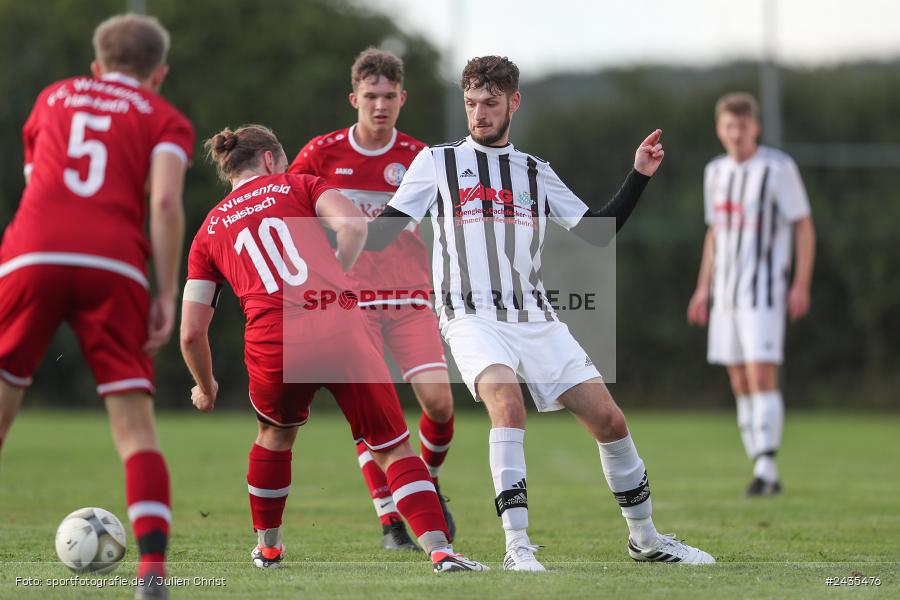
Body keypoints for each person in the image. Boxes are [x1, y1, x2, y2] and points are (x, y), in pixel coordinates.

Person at [364, 55, 715, 570]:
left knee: (610, 421)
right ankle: (518, 546)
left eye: (490, 103)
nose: (479, 113)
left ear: (514, 102)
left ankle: (646, 539)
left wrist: (639, 174)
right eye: (471, 103)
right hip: (470, 316)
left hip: (536, 317)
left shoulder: (534, 171)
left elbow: (598, 233)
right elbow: (383, 232)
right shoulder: (436, 163)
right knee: (507, 404)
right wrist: (329, 217)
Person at [179, 124, 487, 573]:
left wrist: (205, 387)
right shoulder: (299, 185)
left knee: (274, 437)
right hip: (338, 321)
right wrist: (337, 276)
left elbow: (191, 333)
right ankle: (442, 552)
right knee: (392, 447)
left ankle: (268, 549)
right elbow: (354, 227)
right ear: (270, 160)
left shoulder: (208, 230)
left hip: (273, 338)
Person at [0, 14, 192, 599]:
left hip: (32, 252)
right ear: (159, 73)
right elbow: (164, 202)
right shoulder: (164, 116)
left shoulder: (53, 96)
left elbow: (40, 180)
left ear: (96, 65)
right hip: (114, 262)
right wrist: (166, 291)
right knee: (134, 430)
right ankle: (152, 570)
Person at [289, 47, 456, 551]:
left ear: (403, 98)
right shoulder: (321, 153)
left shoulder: (421, 158)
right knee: (374, 414)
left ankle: (425, 481)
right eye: (370, 96)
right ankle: (390, 521)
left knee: (439, 405)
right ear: (354, 98)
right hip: (351, 303)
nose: (380, 105)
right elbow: (290, 211)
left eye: (389, 96)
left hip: (410, 297)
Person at [687, 92, 815, 496]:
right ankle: (758, 458)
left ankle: (767, 467)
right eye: (729, 126)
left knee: (762, 374)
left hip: (764, 291)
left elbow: (803, 225)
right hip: (725, 294)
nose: (736, 133)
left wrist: (801, 283)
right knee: (739, 378)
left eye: (743, 126)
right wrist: (703, 287)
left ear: (755, 127)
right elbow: (714, 233)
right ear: (719, 129)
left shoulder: (777, 168)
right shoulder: (715, 172)